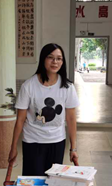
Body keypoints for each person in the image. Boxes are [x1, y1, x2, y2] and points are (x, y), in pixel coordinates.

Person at [9, 43, 79, 176]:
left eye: (59, 58)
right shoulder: (28, 86)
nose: (55, 62)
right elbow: (20, 120)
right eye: (50, 57)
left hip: (57, 141)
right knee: (33, 181)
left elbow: (71, 119)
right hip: (32, 142)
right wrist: (13, 148)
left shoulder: (67, 87)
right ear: (43, 59)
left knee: (52, 180)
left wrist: (73, 148)